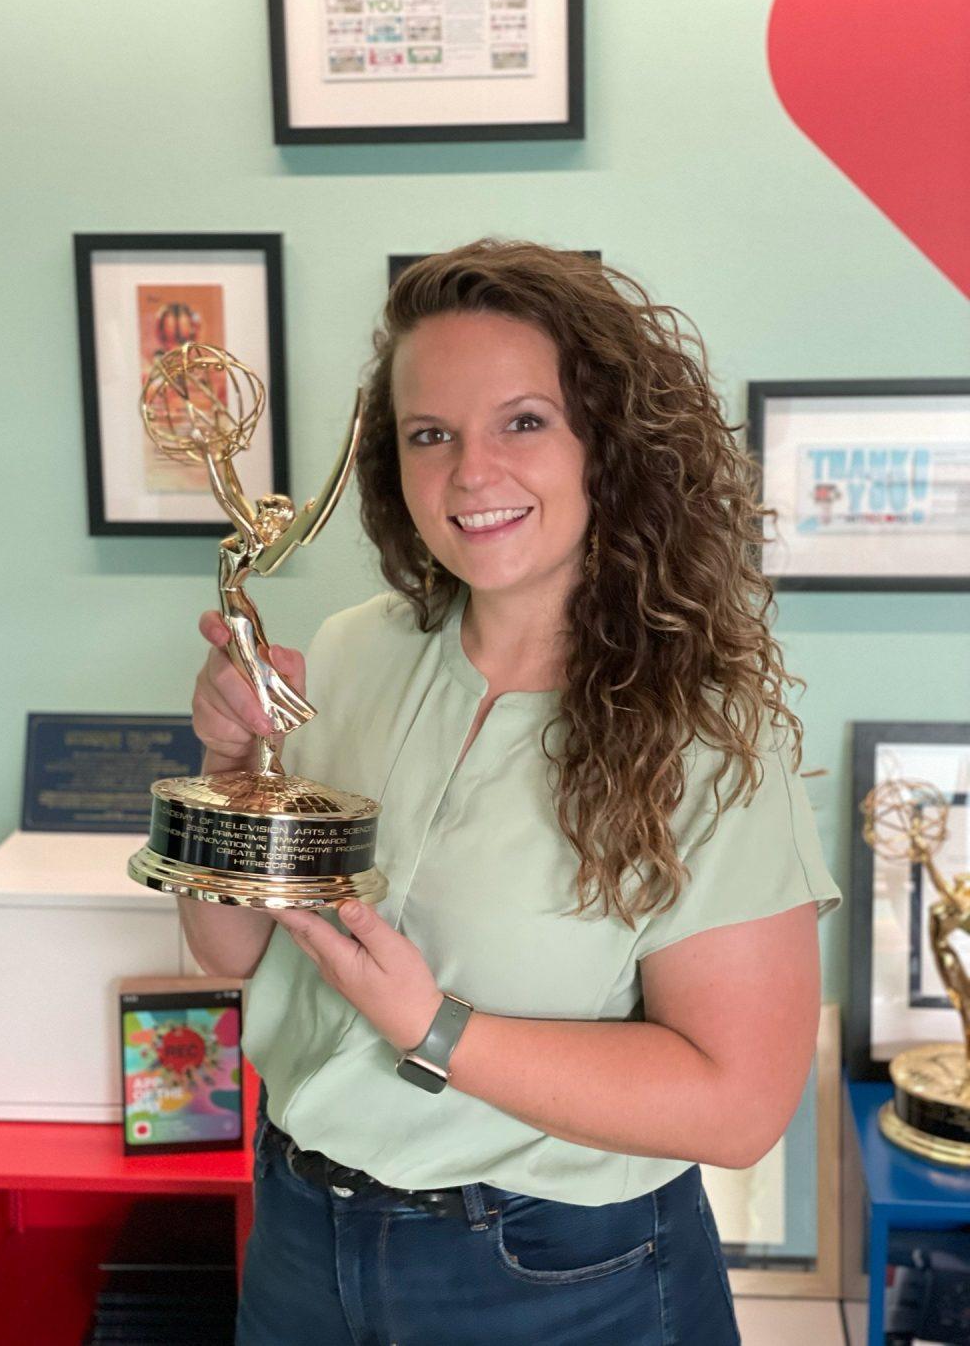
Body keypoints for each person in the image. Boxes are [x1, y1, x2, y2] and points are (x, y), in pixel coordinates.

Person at [184, 240, 841, 1346]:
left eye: (523, 421)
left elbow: (738, 1104)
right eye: (428, 434)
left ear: (608, 446)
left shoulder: (704, 736)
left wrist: (433, 1028)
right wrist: (231, 773)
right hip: (299, 1237)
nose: (469, 473)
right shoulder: (344, 658)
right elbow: (227, 953)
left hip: (557, 1276)